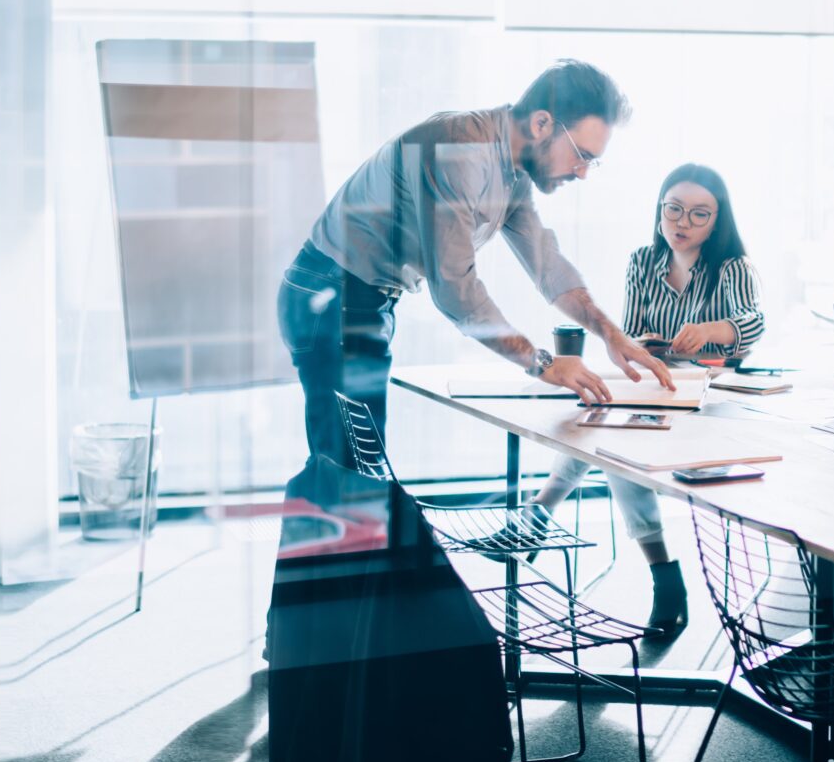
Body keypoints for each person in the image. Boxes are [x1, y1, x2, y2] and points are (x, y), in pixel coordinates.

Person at [278, 59, 674, 500]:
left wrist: (610, 333)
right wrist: (542, 363)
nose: (581, 173)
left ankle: (350, 562)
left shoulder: (514, 172)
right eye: (582, 156)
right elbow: (455, 290)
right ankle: (329, 565)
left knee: (360, 476)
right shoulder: (458, 149)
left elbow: (547, 263)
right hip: (328, 296)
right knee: (347, 477)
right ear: (543, 124)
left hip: (366, 301)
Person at [530, 163, 764, 638]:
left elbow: (753, 324)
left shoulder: (732, 267)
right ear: (660, 210)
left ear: (717, 222)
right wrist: (644, 342)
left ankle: (539, 515)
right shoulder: (642, 261)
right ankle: (662, 577)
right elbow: (629, 332)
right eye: (673, 209)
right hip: (655, 385)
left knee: (613, 437)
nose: (683, 222)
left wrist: (712, 332)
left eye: (700, 215)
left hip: (709, 395)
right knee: (609, 434)